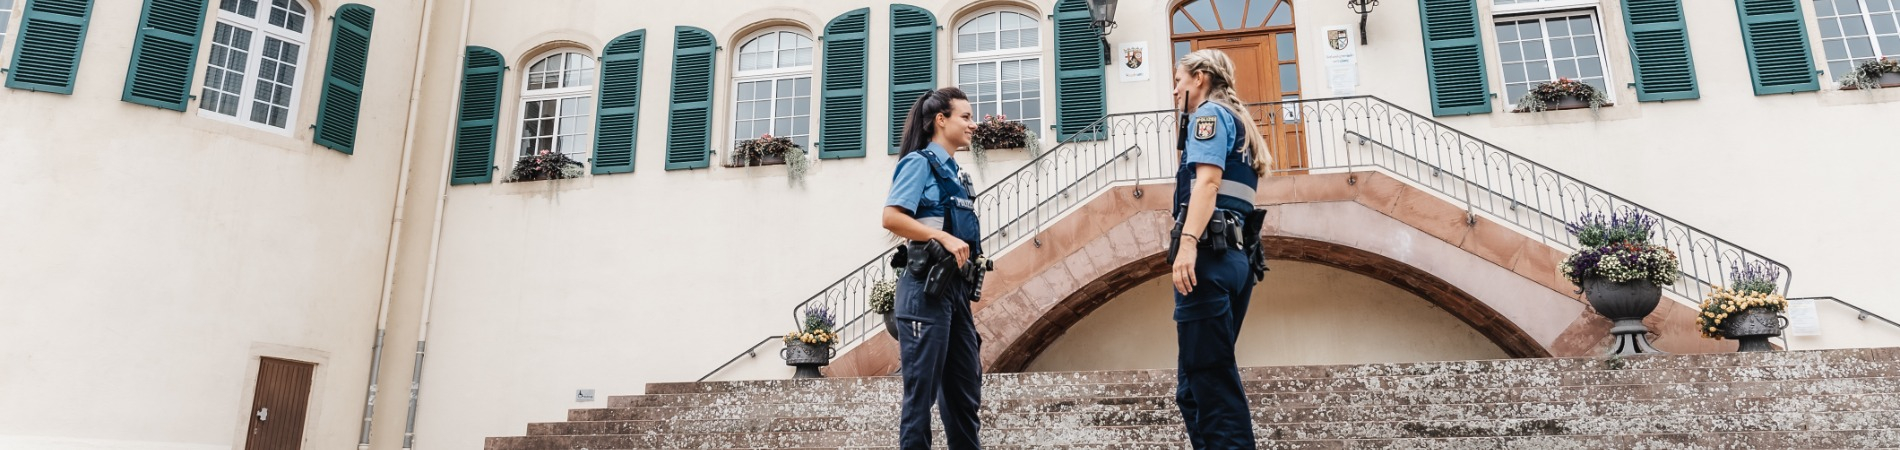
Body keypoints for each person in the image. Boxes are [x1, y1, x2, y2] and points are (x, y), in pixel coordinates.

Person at [1168, 49, 1274, 450]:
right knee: (1193, 390)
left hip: (1208, 259)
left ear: (1199, 78)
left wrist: (1187, 244)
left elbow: (1208, 184)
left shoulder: (1209, 117)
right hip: (1235, 258)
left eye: (1179, 80)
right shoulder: (1240, 122)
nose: (1174, 89)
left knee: (1210, 384)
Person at [881, 87, 984, 450]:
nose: (974, 124)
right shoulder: (918, 163)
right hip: (925, 291)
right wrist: (939, 236)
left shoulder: (957, 174)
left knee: (965, 396)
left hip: (954, 293)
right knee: (920, 397)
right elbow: (891, 217)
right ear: (941, 120)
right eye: (966, 117)